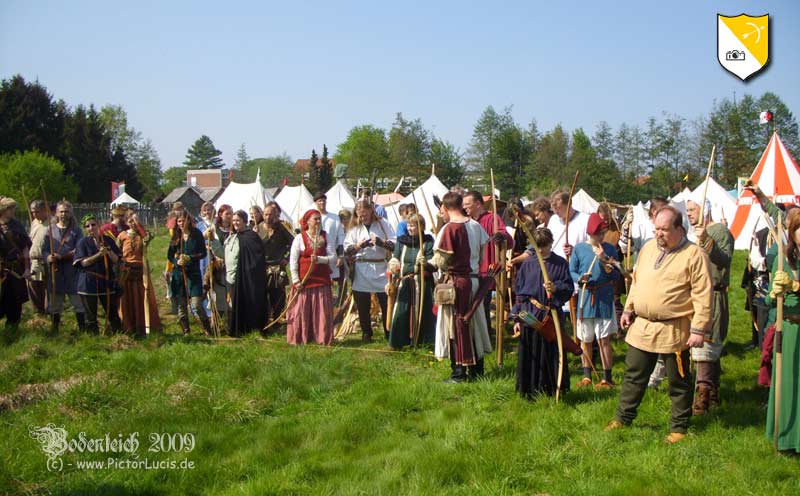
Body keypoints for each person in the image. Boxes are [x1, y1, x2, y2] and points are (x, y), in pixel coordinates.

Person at [606, 206, 712, 444]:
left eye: (664, 229)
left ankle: (679, 427)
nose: (659, 234)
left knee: (679, 381)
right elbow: (637, 282)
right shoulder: (648, 249)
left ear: (679, 229)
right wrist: (629, 308)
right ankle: (622, 418)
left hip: (675, 330)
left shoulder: (695, 255)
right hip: (643, 327)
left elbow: (703, 296)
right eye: (656, 229)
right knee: (634, 376)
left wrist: (698, 329)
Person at [432, 192, 492, 382]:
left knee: (455, 325)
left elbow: (441, 261)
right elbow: (482, 256)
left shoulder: (450, 228)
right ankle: (476, 371)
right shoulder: (476, 225)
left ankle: (459, 373)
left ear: (446, 207)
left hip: (457, 285)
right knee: (474, 325)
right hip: (474, 281)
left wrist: (426, 264)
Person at [512, 227, 577, 397]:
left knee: (552, 352)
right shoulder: (527, 264)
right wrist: (517, 319)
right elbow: (519, 293)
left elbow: (569, 288)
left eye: (544, 246)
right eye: (537, 246)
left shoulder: (560, 263)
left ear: (551, 243)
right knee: (531, 353)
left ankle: (552, 390)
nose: (541, 250)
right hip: (529, 314)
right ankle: (529, 391)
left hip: (550, 315)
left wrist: (556, 287)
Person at [686, 197, 733, 415]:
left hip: (713, 296)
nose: (689, 214)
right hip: (697, 295)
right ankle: (712, 395)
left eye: (693, 210)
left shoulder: (720, 231)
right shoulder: (692, 235)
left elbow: (724, 259)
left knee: (707, 345)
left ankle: (703, 399)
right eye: (687, 210)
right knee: (703, 344)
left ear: (704, 210)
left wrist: (706, 240)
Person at [570, 213, 620, 389]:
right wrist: (580, 279)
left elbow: (616, 273)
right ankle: (587, 375)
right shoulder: (579, 249)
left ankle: (607, 378)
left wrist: (603, 259)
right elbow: (572, 271)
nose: (601, 237)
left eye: (602, 233)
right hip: (586, 297)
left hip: (604, 298)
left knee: (604, 339)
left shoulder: (610, 249)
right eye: (598, 234)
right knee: (585, 339)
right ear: (591, 234)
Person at [764, 214, 800, 453]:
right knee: (788, 383)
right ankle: (786, 436)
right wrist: (775, 291)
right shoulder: (783, 258)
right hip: (789, 329)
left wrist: (797, 285)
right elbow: (768, 300)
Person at [344, 198, 396, 342]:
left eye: (365, 214)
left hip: (380, 267)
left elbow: (394, 244)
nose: (362, 218)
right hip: (362, 267)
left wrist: (380, 242)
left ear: (371, 211)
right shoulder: (355, 227)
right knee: (362, 303)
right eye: (360, 215)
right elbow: (347, 250)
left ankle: (388, 330)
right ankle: (366, 332)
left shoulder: (382, 224)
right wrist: (359, 246)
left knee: (385, 301)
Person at [463, 191, 514, 335]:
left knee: (483, 303)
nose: (465, 208)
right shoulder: (467, 221)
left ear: (478, 204)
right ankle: (481, 333)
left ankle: (486, 334)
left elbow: (509, 240)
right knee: (475, 304)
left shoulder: (492, 219)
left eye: (467, 205)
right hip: (472, 270)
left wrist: (501, 236)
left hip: (488, 269)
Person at [287, 209, 335, 345]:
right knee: (300, 312)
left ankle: (322, 338)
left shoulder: (325, 236)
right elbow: (293, 260)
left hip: (321, 280)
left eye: (319, 219)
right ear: (307, 221)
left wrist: (319, 259)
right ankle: (301, 337)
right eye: (315, 219)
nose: (318, 222)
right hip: (304, 281)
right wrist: (296, 280)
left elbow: (333, 257)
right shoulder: (299, 238)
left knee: (322, 314)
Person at [387, 213, 435, 348]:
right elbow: (395, 257)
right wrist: (393, 263)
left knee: (421, 311)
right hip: (405, 281)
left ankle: (421, 341)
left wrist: (426, 262)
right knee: (401, 311)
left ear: (421, 227)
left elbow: (433, 261)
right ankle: (398, 342)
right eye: (408, 225)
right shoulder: (401, 242)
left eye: (413, 226)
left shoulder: (427, 242)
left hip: (421, 283)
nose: (410, 228)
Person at [73, 214, 123, 334]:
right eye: (87, 226)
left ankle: (117, 335)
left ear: (98, 224)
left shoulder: (108, 240)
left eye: (93, 224)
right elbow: (83, 263)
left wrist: (109, 251)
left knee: (112, 313)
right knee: (91, 316)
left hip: (106, 281)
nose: (91, 228)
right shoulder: (82, 242)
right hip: (88, 281)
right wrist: (99, 255)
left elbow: (116, 260)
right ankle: (93, 341)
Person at [43, 200, 85, 334]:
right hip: (55, 271)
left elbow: (79, 250)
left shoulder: (76, 230)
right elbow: (44, 249)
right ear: (56, 213)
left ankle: (82, 329)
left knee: (78, 303)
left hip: (72, 271)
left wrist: (62, 256)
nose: (63, 214)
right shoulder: (50, 229)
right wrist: (48, 257)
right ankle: (55, 329)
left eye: (66, 211)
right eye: (61, 211)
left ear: (71, 213)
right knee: (55, 304)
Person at [167, 209, 211, 336]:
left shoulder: (196, 234)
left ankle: (207, 329)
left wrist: (190, 258)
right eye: (179, 221)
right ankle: (186, 331)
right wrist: (176, 262)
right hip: (178, 274)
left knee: (196, 304)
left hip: (193, 274)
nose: (181, 223)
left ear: (188, 220)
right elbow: (170, 255)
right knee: (181, 305)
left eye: (183, 220)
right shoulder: (176, 236)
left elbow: (203, 253)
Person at [117, 212, 162, 336]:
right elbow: (117, 253)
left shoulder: (142, 236)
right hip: (126, 271)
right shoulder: (122, 235)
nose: (133, 223)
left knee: (142, 297)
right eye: (130, 221)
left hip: (141, 271)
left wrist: (139, 225)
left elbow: (148, 238)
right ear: (126, 222)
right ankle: (128, 326)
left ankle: (143, 325)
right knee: (127, 298)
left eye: (135, 221)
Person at [224, 210, 268, 337]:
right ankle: (241, 329)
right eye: (233, 221)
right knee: (235, 303)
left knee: (253, 300)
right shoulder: (233, 237)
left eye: (238, 220)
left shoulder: (251, 236)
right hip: (235, 276)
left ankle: (254, 328)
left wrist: (248, 270)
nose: (235, 223)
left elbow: (258, 256)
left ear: (244, 221)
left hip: (250, 277)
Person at [256, 201, 294, 324]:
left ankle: (277, 321)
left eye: (271, 214)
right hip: (262, 267)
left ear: (276, 215)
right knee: (262, 296)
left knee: (278, 297)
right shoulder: (258, 228)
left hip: (278, 267)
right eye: (266, 214)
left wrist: (287, 258)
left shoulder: (282, 228)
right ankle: (264, 321)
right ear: (263, 214)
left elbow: (294, 244)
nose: (268, 217)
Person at [0, 197, 31, 331]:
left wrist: (27, 268)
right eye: (10, 208)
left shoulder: (17, 225)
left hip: (16, 268)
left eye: (13, 208)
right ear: (3, 210)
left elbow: (25, 248)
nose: (13, 211)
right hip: (1, 269)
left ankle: (13, 328)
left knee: (15, 298)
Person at [27, 200, 49, 316]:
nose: (34, 214)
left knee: (46, 287)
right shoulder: (35, 222)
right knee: (34, 285)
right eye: (32, 212)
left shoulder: (52, 222)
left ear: (44, 210)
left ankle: (48, 311)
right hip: (34, 260)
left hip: (45, 260)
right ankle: (38, 312)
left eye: (37, 212)